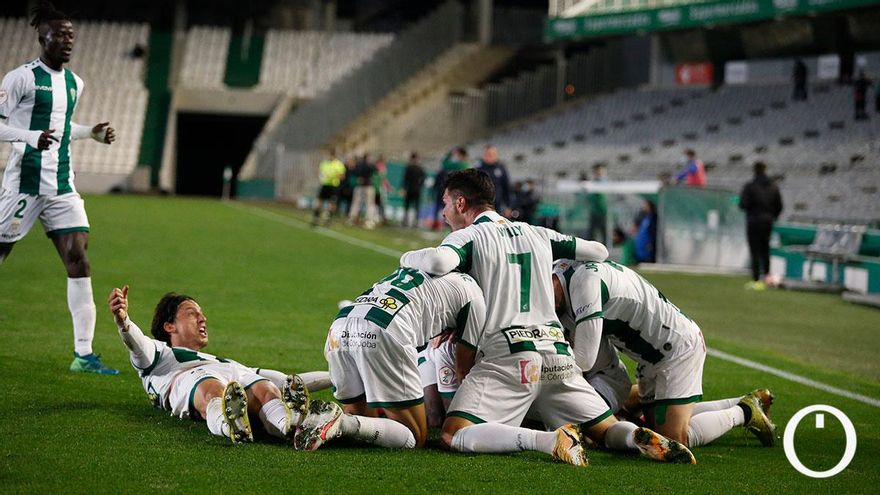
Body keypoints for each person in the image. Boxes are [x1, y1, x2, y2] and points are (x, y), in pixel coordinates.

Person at [398, 169, 695, 467]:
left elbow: (438, 261)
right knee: (605, 429)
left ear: (461, 204)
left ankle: (547, 440)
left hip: (509, 357)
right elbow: (598, 251)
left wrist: (407, 257)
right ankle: (634, 438)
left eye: (446, 203)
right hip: (557, 356)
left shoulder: (469, 236)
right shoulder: (537, 232)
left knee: (453, 434)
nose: (444, 212)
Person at [0, 2, 119, 375]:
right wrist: (29, 136)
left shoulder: (75, 82)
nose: (67, 41)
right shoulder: (19, 78)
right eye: (60, 35)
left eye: (71, 35)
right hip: (24, 182)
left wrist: (91, 134)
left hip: (62, 185)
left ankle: (83, 354)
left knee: (79, 259)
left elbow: (62, 128)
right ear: (42, 37)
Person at [551, 259, 776, 449]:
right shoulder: (563, 275)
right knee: (653, 428)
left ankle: (745, 411)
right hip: (649, 355)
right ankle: (742, 400)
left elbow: (585, 361)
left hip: (676, 348)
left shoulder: (585, 286)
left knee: (673, 439)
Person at [107, 285, 334, 444]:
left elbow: (288, 381)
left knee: (266, 388)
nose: (202, 318)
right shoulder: (160, 355)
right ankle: (230, 426)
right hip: (194, 383)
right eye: (192, 314)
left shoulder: (224, 363)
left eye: (202, 314)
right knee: (211, 387)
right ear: (169, 326)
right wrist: (123, 320)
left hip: (232, 380)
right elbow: (135, 344)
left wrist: (338, 376)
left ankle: (289, 427)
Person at [293, 269, 487, 452]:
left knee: (361, 419)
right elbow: (463, 370)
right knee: (414, 436)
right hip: (385, 328)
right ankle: (343, 422)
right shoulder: (474, 293)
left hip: (340, 325)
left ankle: (298, 420)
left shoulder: (416, 269)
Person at [739, 161, 783, 290]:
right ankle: (768, 278)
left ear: (754, 170)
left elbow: (743, 204)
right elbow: (779, 206)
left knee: (755, 251)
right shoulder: (774, 186)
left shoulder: (750, 186)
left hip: (753, 221)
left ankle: (757, 280)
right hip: (768, 221)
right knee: (766, 250)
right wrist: (772, 216)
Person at [432, 147, 469, 230]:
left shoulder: (461, 164)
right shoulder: (466, 164)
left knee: (451, 208)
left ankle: (449, 225)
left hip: (456, 192)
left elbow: (445, 163)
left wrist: (450, 153)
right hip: (459, 192)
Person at [475, 144, 512, 216]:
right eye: (486, 154)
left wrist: (508, 206)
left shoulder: (501, 168)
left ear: (496, 155)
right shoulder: (478, 168)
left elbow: (506, 187)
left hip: (497, 205)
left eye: (491, 154)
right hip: (481, 205)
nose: (488, 156)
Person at [311, 150, 346, 226]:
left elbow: (342, 176)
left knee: (332, 203)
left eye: (332, 155)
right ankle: (316, 218)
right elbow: (320, 173)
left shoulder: (339, 164)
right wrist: (321, 177)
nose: (331, 157)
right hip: (325, 185)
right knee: (319, 202)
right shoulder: (324, 163)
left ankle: (328, 220)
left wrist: (332, 176)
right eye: (330, 155)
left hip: (334, 186)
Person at [347, 153, 377, 228]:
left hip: (360, 186)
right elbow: (376, 170)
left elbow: (353, 172)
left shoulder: (359, 165)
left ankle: (352, 219)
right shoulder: (370, 165)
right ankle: (368, 221)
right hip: (368, 186)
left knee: (356, 204)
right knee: (369, 205)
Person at [400, 151, 425, 228]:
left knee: (407, 206)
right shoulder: (420, 168)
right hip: (417, 190)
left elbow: (405, 179)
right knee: (416, 206)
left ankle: (405, 221)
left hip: (409, 189)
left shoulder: (409, 167)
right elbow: (423, 180)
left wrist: (403, 188)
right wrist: (419, 186)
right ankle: (415, 222)